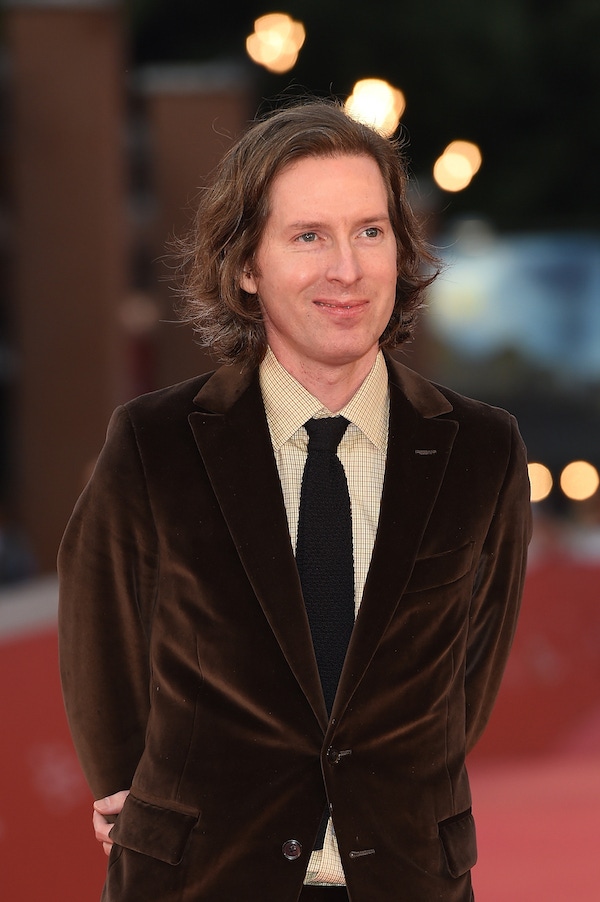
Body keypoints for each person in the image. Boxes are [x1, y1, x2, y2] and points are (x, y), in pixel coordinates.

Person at [58, 99, 532, 902]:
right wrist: (141, 799)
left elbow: (467, 680)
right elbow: (99, 634)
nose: (345, 269)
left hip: (409, 877)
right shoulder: (156, 442)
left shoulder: (482, 451)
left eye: (370, 232)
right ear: (247, 265)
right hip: (199, 879)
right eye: (308, 236)